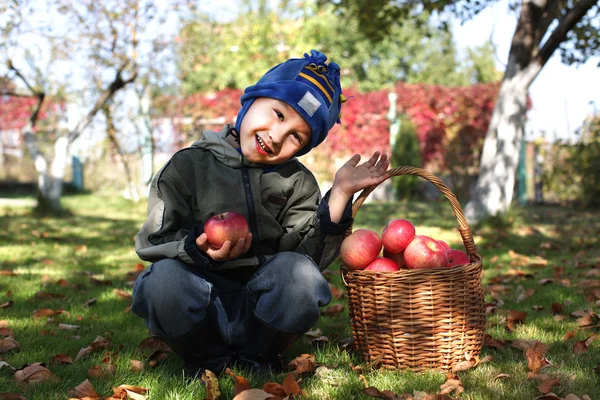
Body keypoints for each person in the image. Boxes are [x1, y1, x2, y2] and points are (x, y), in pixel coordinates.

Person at [130, 50, 389, 377]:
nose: (277, 136)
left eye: (296, 136)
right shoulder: (188, 166)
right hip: (200, 300)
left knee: (302, 276)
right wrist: (195, 248)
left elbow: (306, 262)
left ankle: (257, 356)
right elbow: (154, 240)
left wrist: (339, 194)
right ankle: (205, 359)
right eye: (279, 115)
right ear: (251, 100)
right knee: (163, 280)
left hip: (258, 310)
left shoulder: (297, 182)